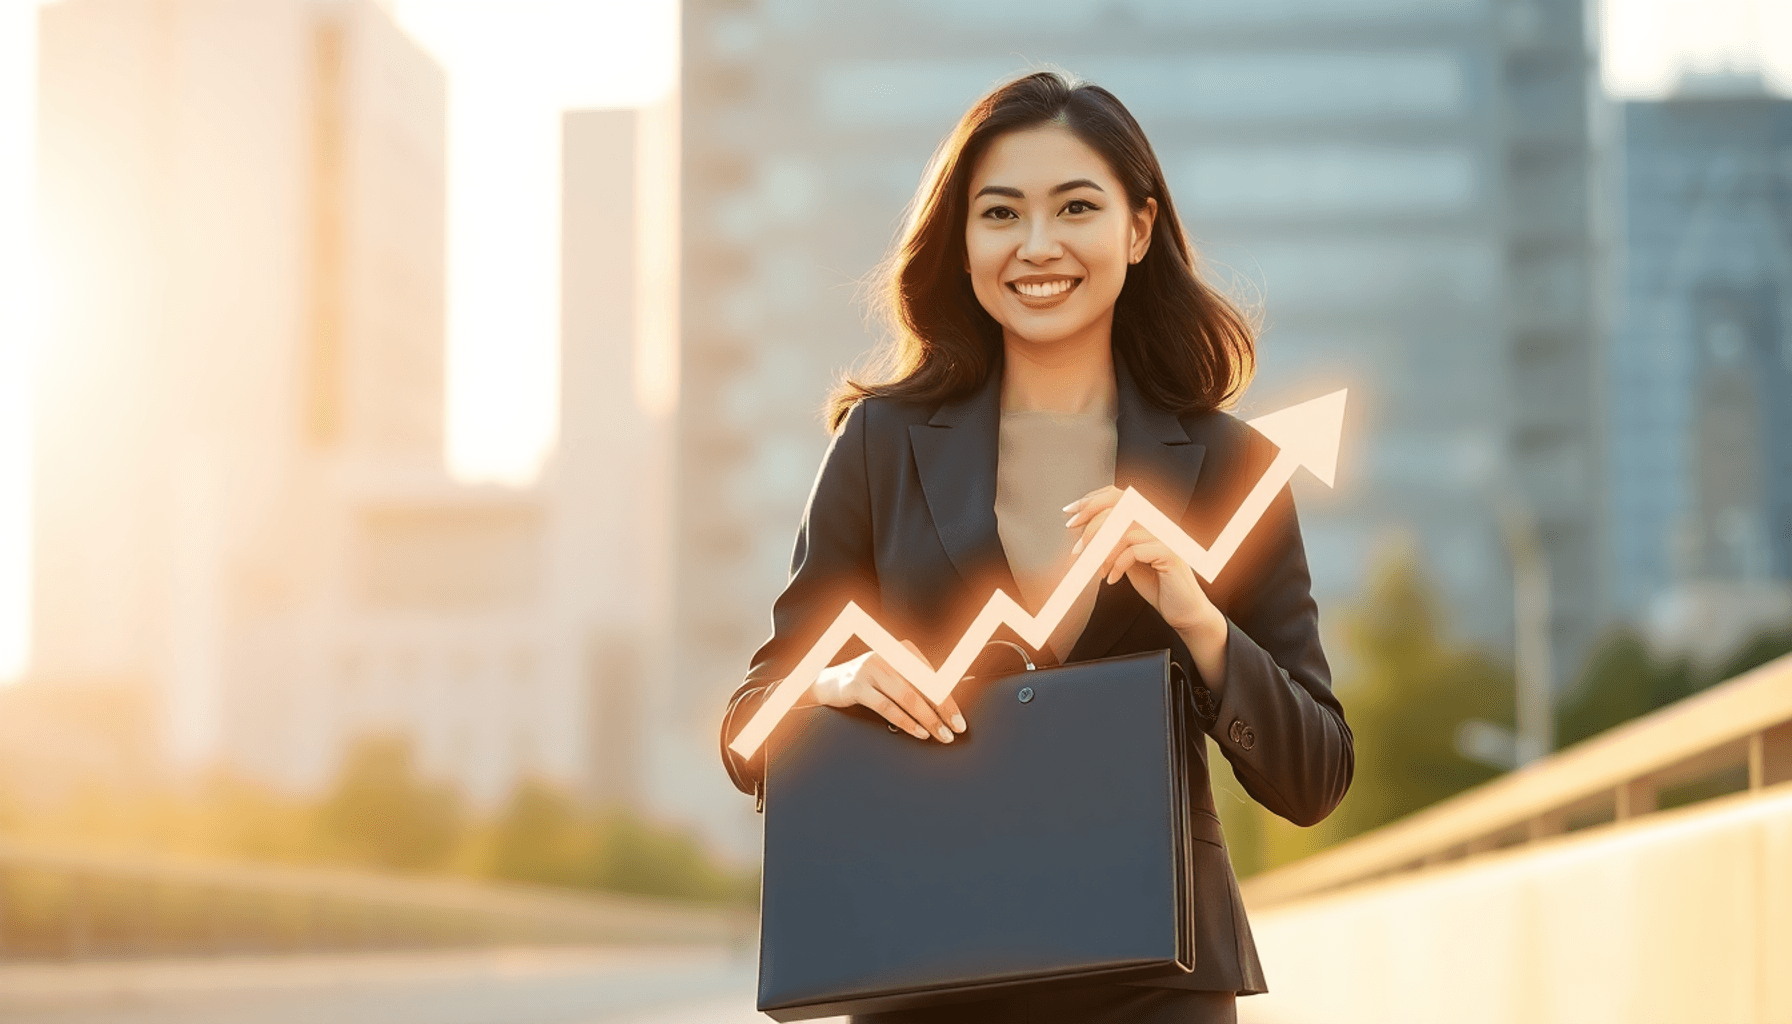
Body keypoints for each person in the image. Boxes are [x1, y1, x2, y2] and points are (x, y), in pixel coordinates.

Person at [718, 70, 1354, 1024]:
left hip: (1157, 982)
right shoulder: (881, 444)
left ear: (1138, 229)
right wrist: (829, 688)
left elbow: (1315, 777)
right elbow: (748, 727)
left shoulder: (1232, 466)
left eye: (1076, 207)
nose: (1037, 244)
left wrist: (1198, 619)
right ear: (964, 243)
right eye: (1001, 213)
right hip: (923, 968)